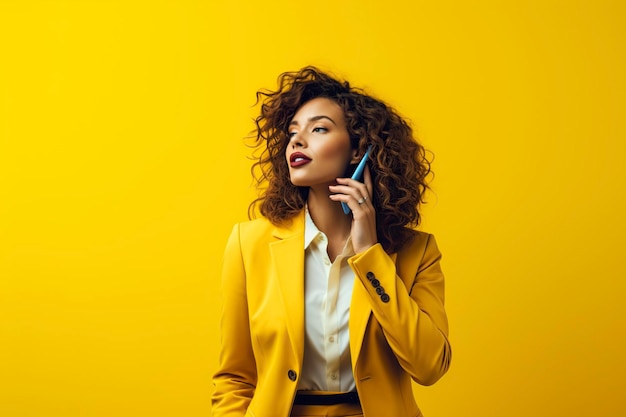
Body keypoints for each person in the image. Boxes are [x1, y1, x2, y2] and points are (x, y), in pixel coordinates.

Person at [211, 66, 451, 417]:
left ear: (358, 152)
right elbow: (233, 377)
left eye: (318, 128)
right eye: (293, 132)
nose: (297, 140)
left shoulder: (417, 252)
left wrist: (370, 255)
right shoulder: (249, 245)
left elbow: (429, 365)